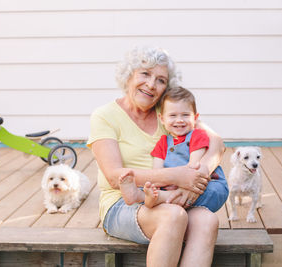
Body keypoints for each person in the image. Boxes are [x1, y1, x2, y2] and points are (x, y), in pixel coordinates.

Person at [87, 46, 226, 267]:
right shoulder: (105, 116)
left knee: (207, 220)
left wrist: (197, 178)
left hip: (169, 196)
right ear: (129, 75)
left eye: (160, 80)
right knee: (173, 216)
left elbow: (217, 144)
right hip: (123, 203)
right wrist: (178, 177)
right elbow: (115, 177)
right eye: (145, 74)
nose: (151, 84)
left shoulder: (170, 113)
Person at [119, 86, 229, 212]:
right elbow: (157, 172)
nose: (180, 120)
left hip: (204, 185)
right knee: (151, 188)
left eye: (185, 115)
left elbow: (194, 167)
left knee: (210, 190)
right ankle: (150, 197)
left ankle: (143, 197)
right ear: (162, 119)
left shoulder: (197, 135)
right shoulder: (163, 142)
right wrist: (156, 186)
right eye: (173, 115)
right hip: (175, 186)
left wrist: (181, 184)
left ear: (195, 117)